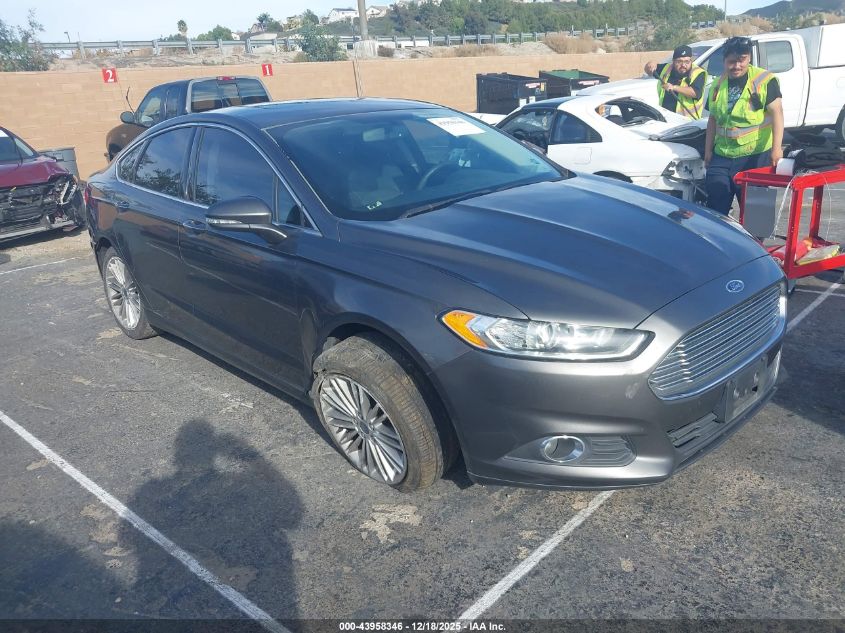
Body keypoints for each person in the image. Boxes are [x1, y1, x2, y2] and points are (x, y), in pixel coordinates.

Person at [704, 36, 784, 215]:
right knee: (716, 206)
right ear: (724, 61)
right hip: (722, 155)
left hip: (755, 155)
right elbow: (713, 119)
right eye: (732, 61)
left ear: (749, 58)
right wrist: (708, 150)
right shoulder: (717, 85)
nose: (737, 66)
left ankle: (755, 242)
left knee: (756, 212)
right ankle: (721, 241)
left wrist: (777, 149)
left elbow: (777, 113)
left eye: (742, 60)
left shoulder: (764, 80)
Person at [643, 45, 707, 119]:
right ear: (673, 61)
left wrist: (674, 87)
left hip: (688, 121)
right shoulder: (666, 69)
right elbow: (649, 70)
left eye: (687, 62)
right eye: (679, 61)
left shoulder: (698, 73)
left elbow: (695, 93)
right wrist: (651, 63)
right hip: (666, 117)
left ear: (691, 61)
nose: (683, 65)